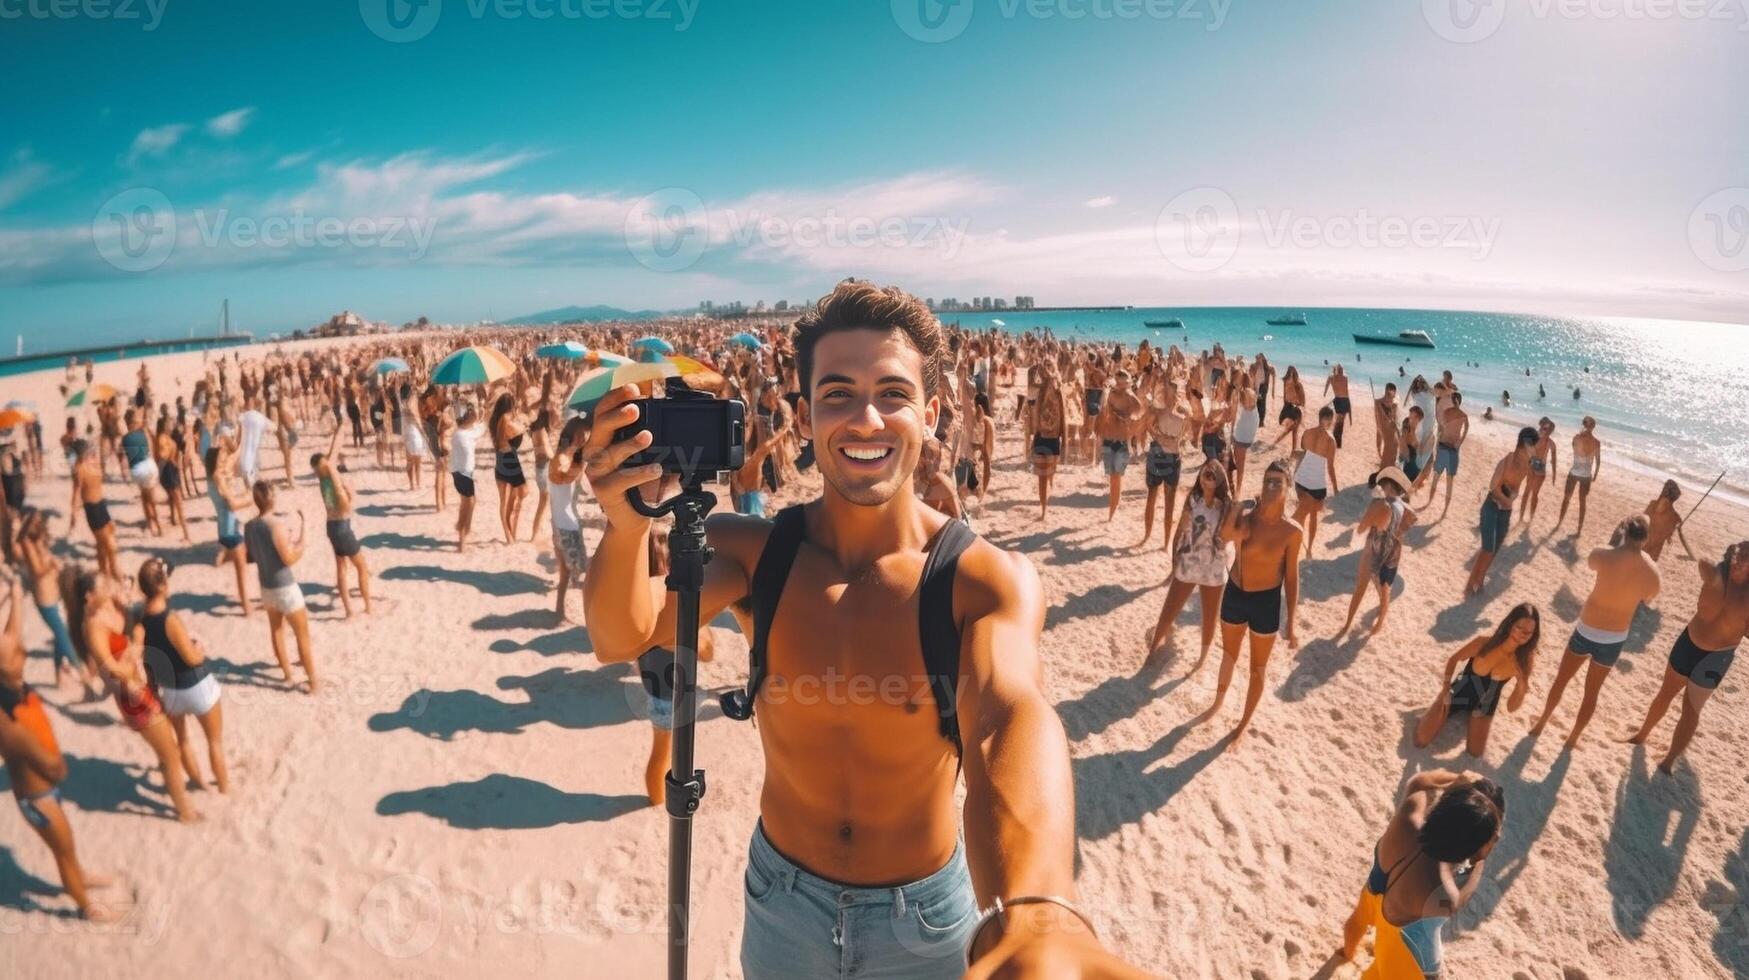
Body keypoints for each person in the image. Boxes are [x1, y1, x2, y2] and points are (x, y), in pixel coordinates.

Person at [581, 281, 1140, 977]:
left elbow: (1006, 713)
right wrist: (625, 527)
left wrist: (1037, 910)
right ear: (808, 414)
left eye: (893, 394)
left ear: (931, 414)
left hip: (925, 917)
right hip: (782, 901)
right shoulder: (757, 554)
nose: (866, 419)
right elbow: (621, 636)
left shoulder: (980, 579)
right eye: (838, 393)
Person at [0, 570, 117, 919]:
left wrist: (17, 596)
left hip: (44, 792)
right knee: (62, 852)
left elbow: (13, 636)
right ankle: (87, 908)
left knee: (67, 846)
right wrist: (61, 767)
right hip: (39, 797)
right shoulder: (9, 723)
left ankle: (80, 877)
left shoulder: (11, 681)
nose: (21, 650)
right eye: (14, 653)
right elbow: (53, 766)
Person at [1341, 770, 1505, 978]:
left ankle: (1346, 953)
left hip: (1376, 891)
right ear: (1470, 847)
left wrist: (1455, 780)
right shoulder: (1442, 891)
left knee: (1357, 921)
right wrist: (1481, 861)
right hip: (1399, 944)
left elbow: (1419, 782)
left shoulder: (1406, 819)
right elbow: (1464, 894)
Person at [66, 567, 200, 821]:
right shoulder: (93, 626)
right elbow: (112, 670)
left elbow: (132, 620)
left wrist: (126, 606)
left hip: (143, 682)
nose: (109, 585)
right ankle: (186, 812)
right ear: (89, 597)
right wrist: (136, 646)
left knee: (169, 745)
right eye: (104, 585)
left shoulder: (109, 607)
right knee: (170, 754)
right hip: (134, 697)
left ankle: (180, 790)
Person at [1529, 516, 1661, 749]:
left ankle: (1541, 723)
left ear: (1624, 531)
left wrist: (1618, 544)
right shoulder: (1651, 572)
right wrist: (1646, 557)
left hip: (1587, 629)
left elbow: (1592, 563)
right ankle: (1572, 738)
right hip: (1614, 638)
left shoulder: (1603, 555)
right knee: (1591, 694)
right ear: (1646, 538)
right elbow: (1649, 596)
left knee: (1561, 681)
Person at [1622, 534, 1749, 772]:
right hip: (1689, 642)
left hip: (1716, 657)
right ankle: (1642, 735)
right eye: (1740, 553)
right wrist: (1721, 576)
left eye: (1747, 556)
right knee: (1665, 693)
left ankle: (1669, 760)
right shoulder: (1715, 574)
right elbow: (1702, 563)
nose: (1741, 559)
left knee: (1691, 709)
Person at [1204, 459, 1302, 744]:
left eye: (1277, 482)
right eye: (1267, 480)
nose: (1271, 486)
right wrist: (1236, 509)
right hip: (1236, 593)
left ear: (1288, 488)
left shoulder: (1292, 531)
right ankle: (1218, 704)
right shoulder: (1247, 517)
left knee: (1258, 668)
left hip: (1266, 603)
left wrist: (1292, 623)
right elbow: (1224, 537)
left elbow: (1292, 578)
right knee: (1229, 655)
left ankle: (1242, 724)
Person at [134, 558, 228, 792]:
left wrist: (154, 689)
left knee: (183, 740)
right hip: (196, 685)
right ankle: (225, 788)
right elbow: (190, 658)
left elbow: (148, 659)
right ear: (163, 585)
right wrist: (199, 649)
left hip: (170, 690)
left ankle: (200, 784)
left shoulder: (140, 618)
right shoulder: (170, 618)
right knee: (214, 742)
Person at [1415, 603, 1540, 756]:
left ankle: (1473, 720)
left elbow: (1511, 708)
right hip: (1459, 692)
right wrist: (1445, 689)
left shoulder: (1524, 662)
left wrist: (1522, 684)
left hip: (1485, 705)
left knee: (1475, 753)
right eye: (1519, 627)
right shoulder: (1484, 643)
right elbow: (1454, 659)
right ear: (1510, 624)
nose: (1522, 634)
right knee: (1421, 739)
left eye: (1528, 632)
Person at [1144, 460, 1234, 671]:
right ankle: (1153, 649)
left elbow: (1231, 536)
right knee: (1169, 609)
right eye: (1205, 472)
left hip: (1213, 568)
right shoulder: (1193, 499)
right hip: (1189, 562)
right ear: (1200, 476)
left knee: (1210, 617)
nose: (1208, 475)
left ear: (1220, 479)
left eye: (1213, 473)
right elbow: (1181, 529)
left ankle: (1201, 660)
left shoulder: (1226, 506)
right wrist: (1174, 557)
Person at [244, 481, 317, 693]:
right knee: (302, 635)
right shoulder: (276, 525)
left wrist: (285, 543)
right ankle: (313, 683)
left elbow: (251, 556)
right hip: (285, 586)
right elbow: (289, 558)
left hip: (266, 586)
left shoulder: (250, 526)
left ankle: (287, 673)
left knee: (276, 630)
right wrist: (301, 540)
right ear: (272, 498)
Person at [1338, 466, 1418, 639]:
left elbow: (1361, 529)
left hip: (1374, 549)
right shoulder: (1402, 504)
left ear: (1388, 485)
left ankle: (1347, 624)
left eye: (1382, 486)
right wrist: (1399, 532)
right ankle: (1380, 622)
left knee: (1361, 587)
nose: (1380, 489)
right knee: (1384, 587)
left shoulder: (1380, 504)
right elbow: (1413, 517)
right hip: (1393, 550)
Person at [1462, 427, 1538, 598]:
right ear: (1526, 444)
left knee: (1494, 550)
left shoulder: (1527, 465)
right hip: (1491, 506)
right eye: (1534, 445)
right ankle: (1469, 585)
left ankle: (1479, 582)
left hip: (1506, 511)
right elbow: (1492, 485)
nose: (1536, 449)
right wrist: (1506, 500)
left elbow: (1519, 486)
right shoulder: (1507, 460)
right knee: (1487, 549)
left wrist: (1513, 496)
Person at [312, 427, 373, 618]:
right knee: (361, 567)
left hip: (332, 526)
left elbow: (333, 451)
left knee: (341, 568)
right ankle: (368, 607)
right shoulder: (330, 472)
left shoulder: (322, 479)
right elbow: (335, 448)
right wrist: (340, 428)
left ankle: (349, 611)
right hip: (342, 527)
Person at [205, 439, 255, 617]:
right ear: (214, 461)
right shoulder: (219, 477)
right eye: (221, 457)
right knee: (241, 571)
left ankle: (223, 557)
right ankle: (247, 607)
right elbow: (232, 505)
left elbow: (226, 500)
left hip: (224, 528)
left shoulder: (212, 477)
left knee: (241, 562)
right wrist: (251, 498)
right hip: (230, 531)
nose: (224, 458)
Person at [546, 417, 590, 622]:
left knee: (565, 574)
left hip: (560, 523)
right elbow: (562, 474)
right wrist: (576, 448)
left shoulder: (573, 460)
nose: (585, 438)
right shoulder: (560, 460)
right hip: (566, 527)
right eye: (581, 434)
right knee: (582, 575)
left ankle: (559, 610)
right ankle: (590, 616)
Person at [1139, 376, 1188, 550]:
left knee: (1170, 502)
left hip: (1173, 457)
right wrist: (1161, 437)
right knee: (1151, 497)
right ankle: (1147, 536)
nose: (1171, 396)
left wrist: (1165, 438)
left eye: (1174, 393)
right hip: (1158, 454)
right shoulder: (1157, 411)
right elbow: (1147, 426)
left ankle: (1166, 543)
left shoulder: (1183, 413)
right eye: (1168, 393)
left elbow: (1182, 438)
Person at [67, 440, 121, 580]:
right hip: (93, 509)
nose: (90, 451)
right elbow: (76, 494)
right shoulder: (79, 469)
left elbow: (105, 454)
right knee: (110, 546)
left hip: (101, 505)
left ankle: (104, 573)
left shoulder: (93, 461)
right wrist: (74, 515)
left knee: (103, 544)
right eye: (87, 449)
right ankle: (116, 577)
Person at [1095, 369, 1144, 521]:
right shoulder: (1110, 395)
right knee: (1113, 478)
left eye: (1123, 381)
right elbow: (1103, 413)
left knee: (1116, 477)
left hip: (1121, 441)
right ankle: (1113, 508)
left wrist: (1129, 422)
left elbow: (1140, 413)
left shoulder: (1131, 398)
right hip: (1110, 439)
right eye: (1119, 380)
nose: (1121, 384)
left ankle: (1113, 511)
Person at [1290, 406, 1339, 558]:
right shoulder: (1331, 440)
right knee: (1312, 516)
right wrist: (1336, 488)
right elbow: (1330, 468)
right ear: (1330, 420)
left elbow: (1305, 452)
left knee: (1302, 512)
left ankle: (1296, 542)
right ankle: (1309, 549)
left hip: (1301, 479)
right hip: (1316, 482)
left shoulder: (1307, 433)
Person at [1029, 357, 1068, 521]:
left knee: (1049, 474)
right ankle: (1044, 510)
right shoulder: (1040, 388)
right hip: (1041, 436)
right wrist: (1033, 435)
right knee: (1042, 476)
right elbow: (1035, 412)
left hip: (1053, 437)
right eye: (1044, 366)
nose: (1046, 369)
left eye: (1049, 365)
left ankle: (1045, 506)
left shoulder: (1058, 387)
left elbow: (1064, 415)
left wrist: (1065, 441)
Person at [1422, 391, 1469, 520]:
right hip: (1449, 448)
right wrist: (1460, 442)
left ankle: (1435, 505)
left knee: (1441, 478)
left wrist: (1459, 442)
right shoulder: (1462, 415)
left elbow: (1442, 428)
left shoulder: (1450, 413)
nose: (1452, 401)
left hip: (1445, 447)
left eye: (1452, 399)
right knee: (1446, 479)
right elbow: (1465, 429)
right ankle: (1439, 507)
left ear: (1454, 400)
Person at [1555, 416, 1601, 536]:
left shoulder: (1576, 438)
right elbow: (1598, 461)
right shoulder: (1596, 442)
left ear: (1584, 425)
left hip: (1574, 473)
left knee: (1566, 499)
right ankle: (1579, 530)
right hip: (1586, 476)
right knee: (1582, 502)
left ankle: (1559, 523)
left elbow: (1575, 449)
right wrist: (1595, 475)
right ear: (1593, 427)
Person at [119, 409, 163, 536]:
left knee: (145, 500)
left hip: (138, 468)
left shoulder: (125, 438)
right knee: (152, 499)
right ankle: (159, 526)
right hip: (150, 465)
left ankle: (151, 526)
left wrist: (125, 476)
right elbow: (152, 448)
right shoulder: (143, 432)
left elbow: (124, 461)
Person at [450, 405, 486, 552]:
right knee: (468, 503)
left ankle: (462, 527)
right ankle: (462, 538)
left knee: (468, 501)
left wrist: (481, 415)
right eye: (471, 413)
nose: (474, 415)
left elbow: (479, 428)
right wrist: (482, 416)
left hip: (461, 473)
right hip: (463, 473)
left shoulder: (461, 432)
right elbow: (480, 430)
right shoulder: (464, 435)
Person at [1518, 418, 1557, 529]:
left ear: (1550, 431)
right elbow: (1526, 453)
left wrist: (1554, 474)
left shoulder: (1551, 443)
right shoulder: (1535, 439)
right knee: (1527, 492)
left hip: (1540, 470)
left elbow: (1554, 459)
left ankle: (1530, 518)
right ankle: (1521, 517)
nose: (1542, 430)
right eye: (1543, 428)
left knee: (1534, 494)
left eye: (1546, 429)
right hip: (1532, 468)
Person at [1642, 479, 1682, 561]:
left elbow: (1643, 519)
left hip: (1644, 542)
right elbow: (1668, 529)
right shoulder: (1672, 515)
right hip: (1652, 547)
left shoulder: (1652, 504)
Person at [1324, 363, 1353, 448]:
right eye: (1340, 370)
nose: (1341, 371)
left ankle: (1336, 443)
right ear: (1336, 370)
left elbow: (1346, 391)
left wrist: (1325, 392)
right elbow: (1327, 383)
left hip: (1343, 400)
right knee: (1338, 422)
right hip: (1339, 400)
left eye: (1342, 370)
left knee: (1340, 423)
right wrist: (1325, 392)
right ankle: (1334, 441)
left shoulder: (1344, 378)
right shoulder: (1333, 378)